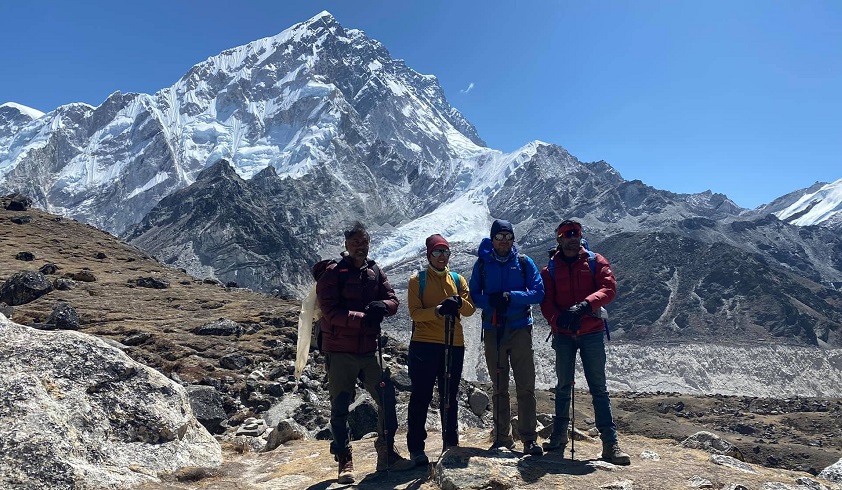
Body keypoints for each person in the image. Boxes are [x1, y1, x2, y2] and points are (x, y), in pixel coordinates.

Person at [316, 221, 414, 484]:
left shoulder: (374, 271)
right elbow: (330, 312)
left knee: (387, 397)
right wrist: (363, 317)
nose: (361, 246)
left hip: (369, 349)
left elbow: (393, 299)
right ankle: (344, 459)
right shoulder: (333, 273)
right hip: (340, 351)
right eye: (356, 242)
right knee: (340, 406)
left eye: (365, 242)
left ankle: (386, 453)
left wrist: (383, 305)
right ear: (346, 245)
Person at [539, 219, 630, 465]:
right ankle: (558, 437)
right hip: (565, 335)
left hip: (591, 332)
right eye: (567, 234)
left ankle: (610, 444)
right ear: (559, 238)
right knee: (563, 386)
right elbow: (545, 302)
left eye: (576, 233)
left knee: (598, 387)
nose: (572, 237)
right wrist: (559, 321)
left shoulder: (594, 261)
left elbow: (609, 289)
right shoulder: (549, 270)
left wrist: (585, 305)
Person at [469, 219, 545, 455]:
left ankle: (529, 439)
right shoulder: (482, 264)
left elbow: (538, 293)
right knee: (499, 386)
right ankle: (503, 438)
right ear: (492, 240)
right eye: (499, 237)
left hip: (520, 328)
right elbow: (473, 295)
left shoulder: (523, 262)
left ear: (513, 239)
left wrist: (510, 296)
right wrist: (490, 300)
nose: (503, 242)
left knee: (525, 385)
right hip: (493, 330)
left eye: (507, 237)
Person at [406, 234, 476, 465]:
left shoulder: (457, 279)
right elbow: (415, 313)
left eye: (445, 251)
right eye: (437, 251)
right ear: (429, 254)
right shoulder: (418, 280)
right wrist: (438, 310)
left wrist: (457, 302)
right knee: (421, 396)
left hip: (453, 344)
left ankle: (451, 445)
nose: (442, 256)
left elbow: (469, 310)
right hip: (424, 344)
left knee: (449, 397)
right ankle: (416, 449)